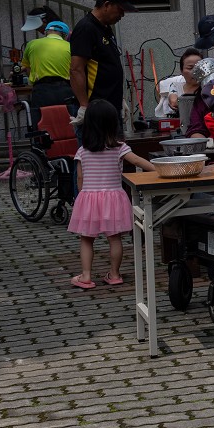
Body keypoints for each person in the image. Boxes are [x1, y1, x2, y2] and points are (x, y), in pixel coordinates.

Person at [67, 99, 155, 289]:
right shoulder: (120, 148)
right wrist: (157, 170)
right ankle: (114, 274)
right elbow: (138, 160)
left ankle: (86, 276)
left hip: (89, 199)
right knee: (114, 238)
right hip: (113, 199)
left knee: (86, 239)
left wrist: (81, 198)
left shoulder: (82, 151)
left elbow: (80, 179)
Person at [68, 0, 136, 132]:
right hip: (96, 109)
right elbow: (76, 69)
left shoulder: (105, 28)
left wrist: (120, 99)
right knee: (99, 154)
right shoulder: (86, 28)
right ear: (107, 5)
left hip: (111, 106)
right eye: (120, 10)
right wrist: (84, 106)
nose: (122, 15)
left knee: (117, 153)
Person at [22, 19, 75, 125]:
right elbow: (74, 70)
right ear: (64, 36)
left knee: (42, 125)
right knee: (67, 124)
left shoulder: (31, 44)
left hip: (41, 91)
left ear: (46, 32)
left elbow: (26, 68)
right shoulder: (70, 47)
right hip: (65, 90)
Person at [153, 48, 203, 119]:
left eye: (199, 67)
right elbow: (174, 102)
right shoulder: (175, 86)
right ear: (181, 71)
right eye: (190, 68)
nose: (195, 72)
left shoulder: (209, 87)